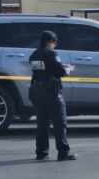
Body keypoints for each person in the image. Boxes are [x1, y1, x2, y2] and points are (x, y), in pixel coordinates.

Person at [29, 31, 77, 161]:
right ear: (50, 41)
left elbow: (43, 69)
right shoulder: (51, 53)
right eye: (54, 42)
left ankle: (41, 152)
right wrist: (68, 69)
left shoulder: (34, 54)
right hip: (52, 92)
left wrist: (59, 67)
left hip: (38, 91)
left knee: (42, 124)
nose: (55, 45)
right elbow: (60, 72)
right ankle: (63, 153)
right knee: (59, 123)